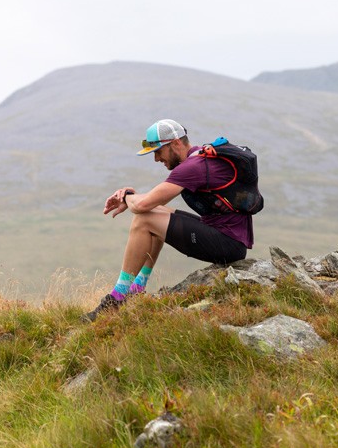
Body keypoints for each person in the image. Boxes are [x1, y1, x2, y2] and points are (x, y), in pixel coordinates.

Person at [84, 119, 258, 321]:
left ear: (175, 143)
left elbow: (141, 206)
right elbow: (150, 203)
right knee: (155, 212)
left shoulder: (192, 167)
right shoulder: (199, 157)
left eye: (158, 151)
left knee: (144, 220)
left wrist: (127, 197)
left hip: (227, 245)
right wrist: (131, 196)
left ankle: (117, 299)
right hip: (229, 238)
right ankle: (136, 289)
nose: (156, 158)